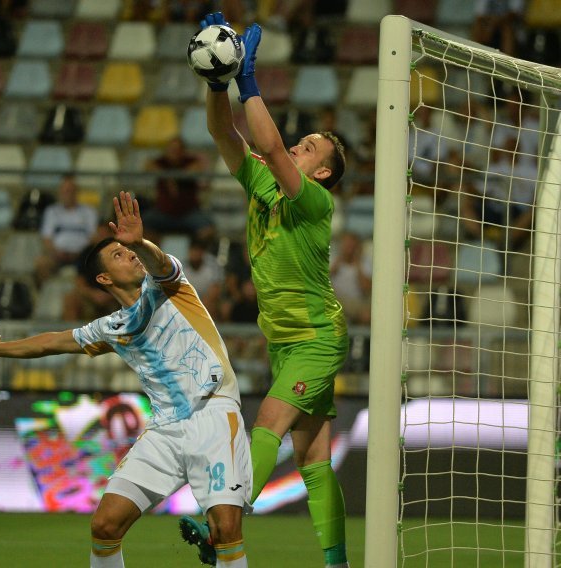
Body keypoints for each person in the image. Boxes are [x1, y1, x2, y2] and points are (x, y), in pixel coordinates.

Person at [0, 191, 252, 568]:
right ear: (104, 277)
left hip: (214, 416)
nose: (131, 254)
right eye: (119, 254)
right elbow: (54, 341)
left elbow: (159, 261)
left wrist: (139, 242)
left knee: (225, 532)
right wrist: (0, 348)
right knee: (105, 525)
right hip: (166, 430)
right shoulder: (112, 327)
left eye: (130, 249)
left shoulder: (170, 287)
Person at [179, 13, 351, 568]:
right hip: (284, 342)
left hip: (317, 339)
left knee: (267, 425)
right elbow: (223, 134)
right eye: (301, 142)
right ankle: (338, 562)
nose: (297, 148)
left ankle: (221, 526)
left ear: (322, 174)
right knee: (315, 460)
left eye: (309, 147)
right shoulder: (261, 183)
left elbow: (271, 148)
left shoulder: (315, 202)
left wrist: (248, 80)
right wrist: (216, 86)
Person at [143, 136, 215, 242]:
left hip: (189, 213)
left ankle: (194, 253)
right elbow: (148, 165)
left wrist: (174, 177)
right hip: (162, 213)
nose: (174, 152)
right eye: (171, 149)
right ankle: (157, 254)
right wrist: (169, 177)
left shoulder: (190, 161)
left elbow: (197, 167)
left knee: (208, 230)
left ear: (183, 151)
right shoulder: (161, 162)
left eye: (177, 149)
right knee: (141, 227)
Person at [33, 175, 99, 285]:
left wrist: (80, 253)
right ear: (60, 192)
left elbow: (94, 238)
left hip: (82, 256)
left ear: (76, 192)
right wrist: (57, 253)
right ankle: (47, 296)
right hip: (58, 256)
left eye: (70, 191)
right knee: (41, 263)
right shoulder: (51, 211)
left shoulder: (89, 212)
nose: (67, 194)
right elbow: (46, 239)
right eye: (65, 191)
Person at [330, 231, 372, 326]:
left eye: (352, 246)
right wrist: (337, 263)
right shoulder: (332, 260)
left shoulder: (365, 263)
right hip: (337, 300)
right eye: (346, 245)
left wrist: (357, 264)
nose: (349, 249)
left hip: (357, 302)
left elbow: (366, 288)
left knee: (366, 314)